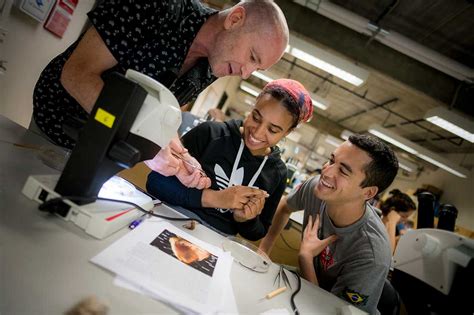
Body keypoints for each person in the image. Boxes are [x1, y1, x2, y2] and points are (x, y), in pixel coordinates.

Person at [32, 0, 289, 187]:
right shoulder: (157, 8)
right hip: (51, 133)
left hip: (97, 158)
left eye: (258, 68)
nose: (246, 73)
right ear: (235, 19)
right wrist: (146, 145)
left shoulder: (211, 67)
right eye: (252, 57)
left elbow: (158, 114)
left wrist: (181, 157)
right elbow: (77, 75)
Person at [147, 79, 313, 241]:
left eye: (273, 130)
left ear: (287, 132)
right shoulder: (211, 133)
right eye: (256, 117)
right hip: (169, 220)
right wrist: (214, 198)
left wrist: (246, 220)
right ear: (253, 106)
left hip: (217, 243)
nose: (258, 132)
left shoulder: (277, 172)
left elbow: (258, 233)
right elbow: (155, 182)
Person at [259, 134, 399, 314]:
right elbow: (285, 206)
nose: (326, 171)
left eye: (343, 171)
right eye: (331, 160)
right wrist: (263, 251)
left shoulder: (371, 254)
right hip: (305, 284)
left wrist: (306, 258)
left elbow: (331, 312)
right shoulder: (317, 187)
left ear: (368, 192)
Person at [380, 189, 416, 255]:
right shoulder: (378, 224)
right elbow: (388, 253)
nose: (405, 220)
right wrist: (392, 222)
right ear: (392, 210)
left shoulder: (394, 227)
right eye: (404, 216)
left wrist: (397, 239)